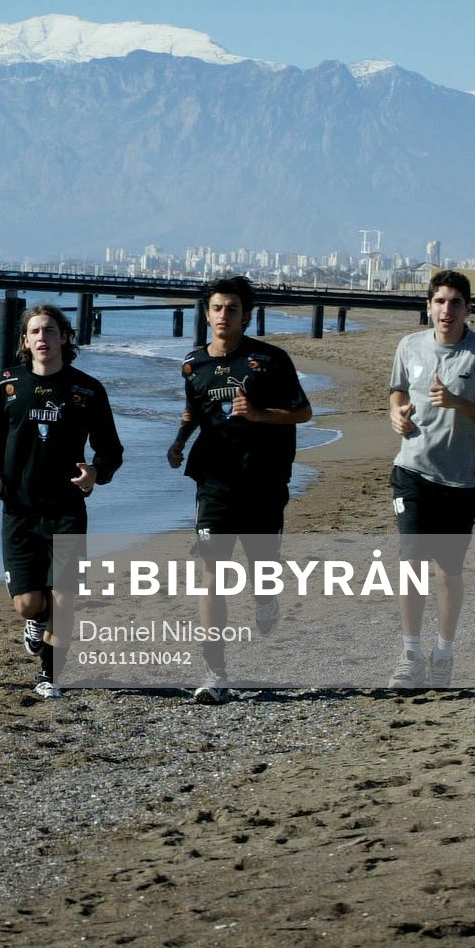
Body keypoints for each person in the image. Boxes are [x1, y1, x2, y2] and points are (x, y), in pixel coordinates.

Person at [168, 276, 311, 704]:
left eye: (233, 309)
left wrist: (261, 415)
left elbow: (302, 412)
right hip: (214, 482)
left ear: (246, 315)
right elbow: (194, 409)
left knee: (261, 567)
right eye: (217, 308)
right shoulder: (193, 364)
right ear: (207, 314)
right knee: (212, 576)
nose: (224, 316)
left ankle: (266, 597)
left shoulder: (271, 360)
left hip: (264, 479)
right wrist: (179, 441)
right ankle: (215, 673)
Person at [0, 303, 124, 698]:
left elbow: (110, 450)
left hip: (66, 509)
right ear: (24, 340)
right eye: (35, 331)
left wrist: (97, 473)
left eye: (50, 330)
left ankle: (51, 672)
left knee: (65, 596)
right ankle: (37, 619)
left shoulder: (87, 389)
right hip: (20, 511)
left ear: (64, 337)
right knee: (28, 604)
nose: (42, 338)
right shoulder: (7, 385)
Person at [386, 269, 475, 690]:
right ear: (428, 306)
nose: (447, 310)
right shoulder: (409, 346)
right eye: (440, 301)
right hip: (412, 469)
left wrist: (458, 402)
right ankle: (410, 654)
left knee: (446, 571)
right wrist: (396, 413)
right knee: (411, 565)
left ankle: (444, 651)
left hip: (463, 478)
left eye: (456, 302)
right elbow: (397, 391)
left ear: (468, 309)